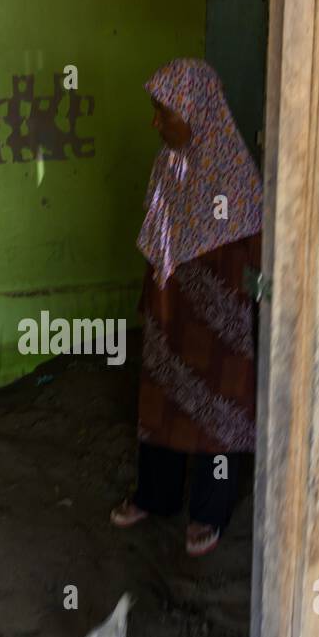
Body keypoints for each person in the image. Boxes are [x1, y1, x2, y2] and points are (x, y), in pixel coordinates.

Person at [110, 59, 262, 557]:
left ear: (195, 110)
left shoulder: (232, 169)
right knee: (160, 402)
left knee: (216, 411)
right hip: (168, 305)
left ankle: (209, 512)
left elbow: (255, 249)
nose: (156, 122)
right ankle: (155, 495)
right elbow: (158, 238)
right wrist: (149, 297)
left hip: (218, 315)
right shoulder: (166, 164)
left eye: (164, 112)